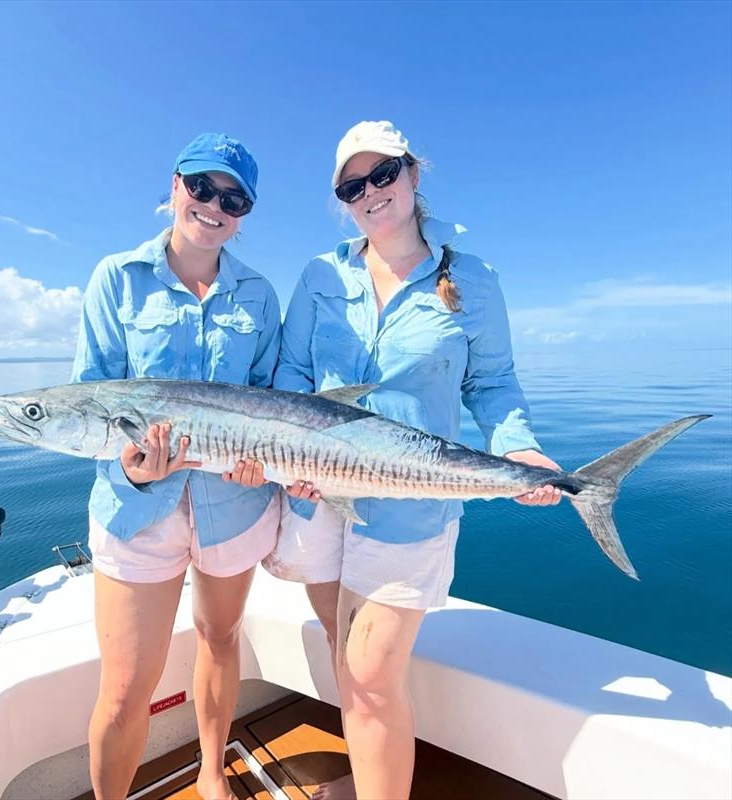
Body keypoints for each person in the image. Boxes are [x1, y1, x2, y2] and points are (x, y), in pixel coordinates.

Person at [229, 120, 562, 800]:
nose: (370, 192)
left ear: (413, 174)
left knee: (371, 672)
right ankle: (369, 776)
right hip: (315, 495)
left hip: (411, 505)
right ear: (342, 199)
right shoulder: (322, 273)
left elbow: (491, 383)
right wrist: (274, 448)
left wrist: (516, 445)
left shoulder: (471, 279)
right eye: (354, 185)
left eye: (383, 174)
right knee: (343, 651)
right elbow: (293, 372)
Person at [71, 133, 281, 800]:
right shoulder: (117, 277)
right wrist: (135, 471)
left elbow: (276, 406)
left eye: (234, 197)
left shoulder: (259, 295)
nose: (215, 206)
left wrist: (265, 466)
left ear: (244, 213)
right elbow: (91, 390)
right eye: (203, 187)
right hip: (137, 511)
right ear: (174, 186)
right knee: (127, 685)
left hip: (235, 505)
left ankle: (213, 771)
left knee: (220, 637)